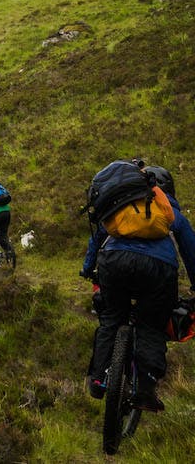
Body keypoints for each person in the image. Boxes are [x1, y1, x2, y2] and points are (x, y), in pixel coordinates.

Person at [81, 162, 195, 411]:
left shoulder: (120, 206)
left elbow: (97, 237)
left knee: (111, 318)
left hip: (114, 261)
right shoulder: (171, 211)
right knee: (152, 326)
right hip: (158, 269)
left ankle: (99, 379)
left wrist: (88, 268)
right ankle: (145, 389)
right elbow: (190, 251)